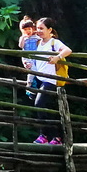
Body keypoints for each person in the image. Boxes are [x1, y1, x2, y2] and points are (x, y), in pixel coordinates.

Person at [31, 17, 72, 145]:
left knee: (40, 104)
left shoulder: (54, 42)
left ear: (50, 30)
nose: (39, 31)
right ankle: (55, 137)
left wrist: (58, 57)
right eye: (37, 28)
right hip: (40, 79)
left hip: (50, 80)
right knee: (46, 108)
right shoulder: (38, 42)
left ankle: (45, 135)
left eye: (42, 28)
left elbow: (68, 50)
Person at [18, 16, 41, 101]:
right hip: (27, 58)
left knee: (37, 71)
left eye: (29, 29)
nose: (27, 31)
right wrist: (23, 38)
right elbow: (20, 46)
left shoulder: (36, 37)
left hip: (36, 57)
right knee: (33, 71)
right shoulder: (23, 38)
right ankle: (29, 85)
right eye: (25, 29)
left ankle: (35, 88)